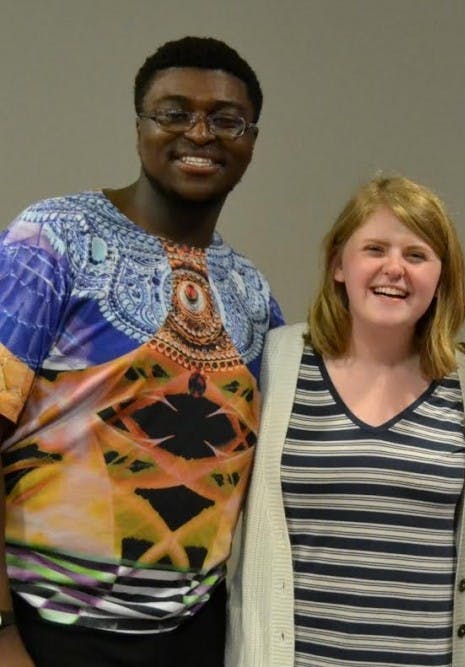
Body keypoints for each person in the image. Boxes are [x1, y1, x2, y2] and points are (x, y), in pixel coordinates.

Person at [0, 37, 282, 667]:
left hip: (195, 636)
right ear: (140, 127)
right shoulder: (52, 242)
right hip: (45, 631)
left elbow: (316, 398)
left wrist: (440, 362)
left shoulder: (252, 292)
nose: (201, 133)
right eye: (174, 112)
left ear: (252, 140)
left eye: (228, 119)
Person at [227, 175, 465, 667]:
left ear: (441, 278)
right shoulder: (277, 363)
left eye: (417, 255)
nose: (395, 269)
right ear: (338, 265)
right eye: (374, 248)